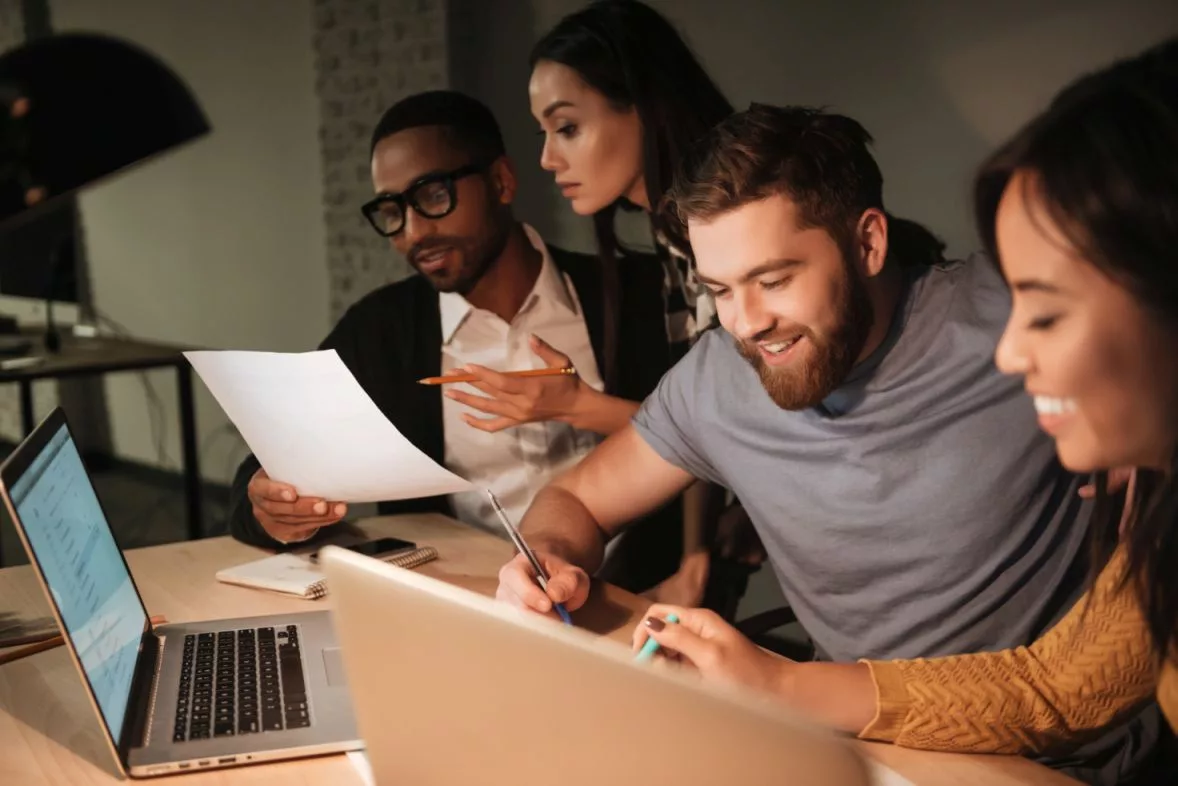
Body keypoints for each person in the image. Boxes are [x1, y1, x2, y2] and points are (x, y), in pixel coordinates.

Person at [495, 101, 1164, 784]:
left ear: (869, 243)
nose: (747, 324)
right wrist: (546, 559)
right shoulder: (718, 378)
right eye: (720, 290)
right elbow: (578, 496)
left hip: (1058, 766)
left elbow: (1069, 686)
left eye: (775, 280)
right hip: (851, 750)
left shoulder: (1017, 322)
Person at [226, 90, 682, 595]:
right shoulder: (383, 329)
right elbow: (263, 466)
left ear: (502, 181)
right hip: (464, 601)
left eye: (434, 195)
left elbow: (710, 438)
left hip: (635, 602)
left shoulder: (637, 294)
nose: (415, 232)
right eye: (392, 210)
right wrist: (270, 507)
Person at [517, 0, 760, 614]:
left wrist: (579, 406)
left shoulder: (726, 220)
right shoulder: (669, 234)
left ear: (643, 108)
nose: (547, 158)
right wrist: (694, 555)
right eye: (543, 132)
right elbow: (709, 396)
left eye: (566, 127)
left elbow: (741, 418)